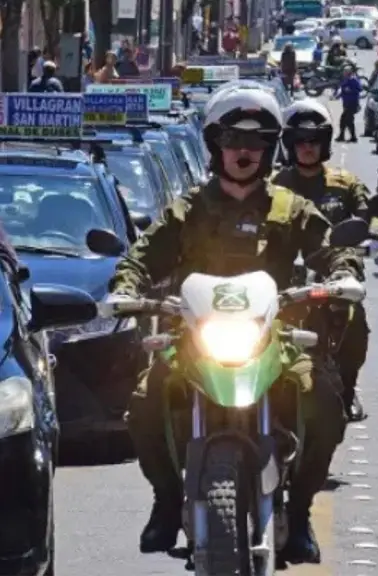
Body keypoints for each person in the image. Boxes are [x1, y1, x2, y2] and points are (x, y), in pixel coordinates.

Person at [107, 84, 353, 563]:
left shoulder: (290, 207)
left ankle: (299, 512)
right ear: (215, 145)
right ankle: (165, 499)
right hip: (195, 341)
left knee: (323, 399)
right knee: (144, 401)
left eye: (258, 142)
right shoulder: (187, 209)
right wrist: (126, 286)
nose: (245, 151)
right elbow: (142, 256)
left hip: (274, 341)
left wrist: (343, 272)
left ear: (269, 149)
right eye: (233, 141)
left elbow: (331, 248)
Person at [273, 99, 378, 423]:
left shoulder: (345, 184)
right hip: (284, 281)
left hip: (334, 279)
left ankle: (347, 391)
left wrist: (375, 236)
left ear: (325, 143)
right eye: (301, 142)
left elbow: (372, 217)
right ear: (291, 145)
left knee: (356, 324)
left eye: (314, 141)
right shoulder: (274, 186)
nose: (308, 148)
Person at [335, 67, 361, 142]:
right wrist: (338, 96)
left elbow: (359, 89)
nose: (344, 73)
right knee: (347, 120)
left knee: (345, 120)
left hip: (352, 103)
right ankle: (349, 136)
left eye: (345, 72)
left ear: (348, 73)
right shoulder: (346, 80)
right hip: (346, 103)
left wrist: (350, 90)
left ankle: (347, 136)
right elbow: (343, 90)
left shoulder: (353, 80)